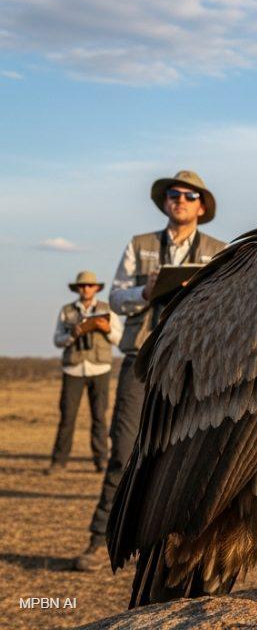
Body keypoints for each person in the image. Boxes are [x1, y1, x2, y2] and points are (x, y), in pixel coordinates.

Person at [73, 170, 227, 572]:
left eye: (189, 195)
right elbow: (117, 297)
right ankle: (98, 541)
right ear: (165, 202)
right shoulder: (139, 246)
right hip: (141, 358)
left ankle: (177, 552)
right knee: (123, 449)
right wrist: (146, 290)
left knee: (188, 454)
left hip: (198, 363)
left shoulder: (220, 249)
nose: (180, 199)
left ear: (202, 205)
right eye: (174, 194)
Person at [48, 271, 123, 475]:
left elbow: (119, 339)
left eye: (90, 285)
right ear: (77, 289)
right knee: (67, 416)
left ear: (97, 288)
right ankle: (59, 461)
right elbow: (57, 339)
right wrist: (72, 335)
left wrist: (106, 329)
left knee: (99, 416)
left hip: (100, 368)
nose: (86, 289)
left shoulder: (108, 310)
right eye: (82, 286)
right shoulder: (67, 311)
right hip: (73, 368)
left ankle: (101, 461)